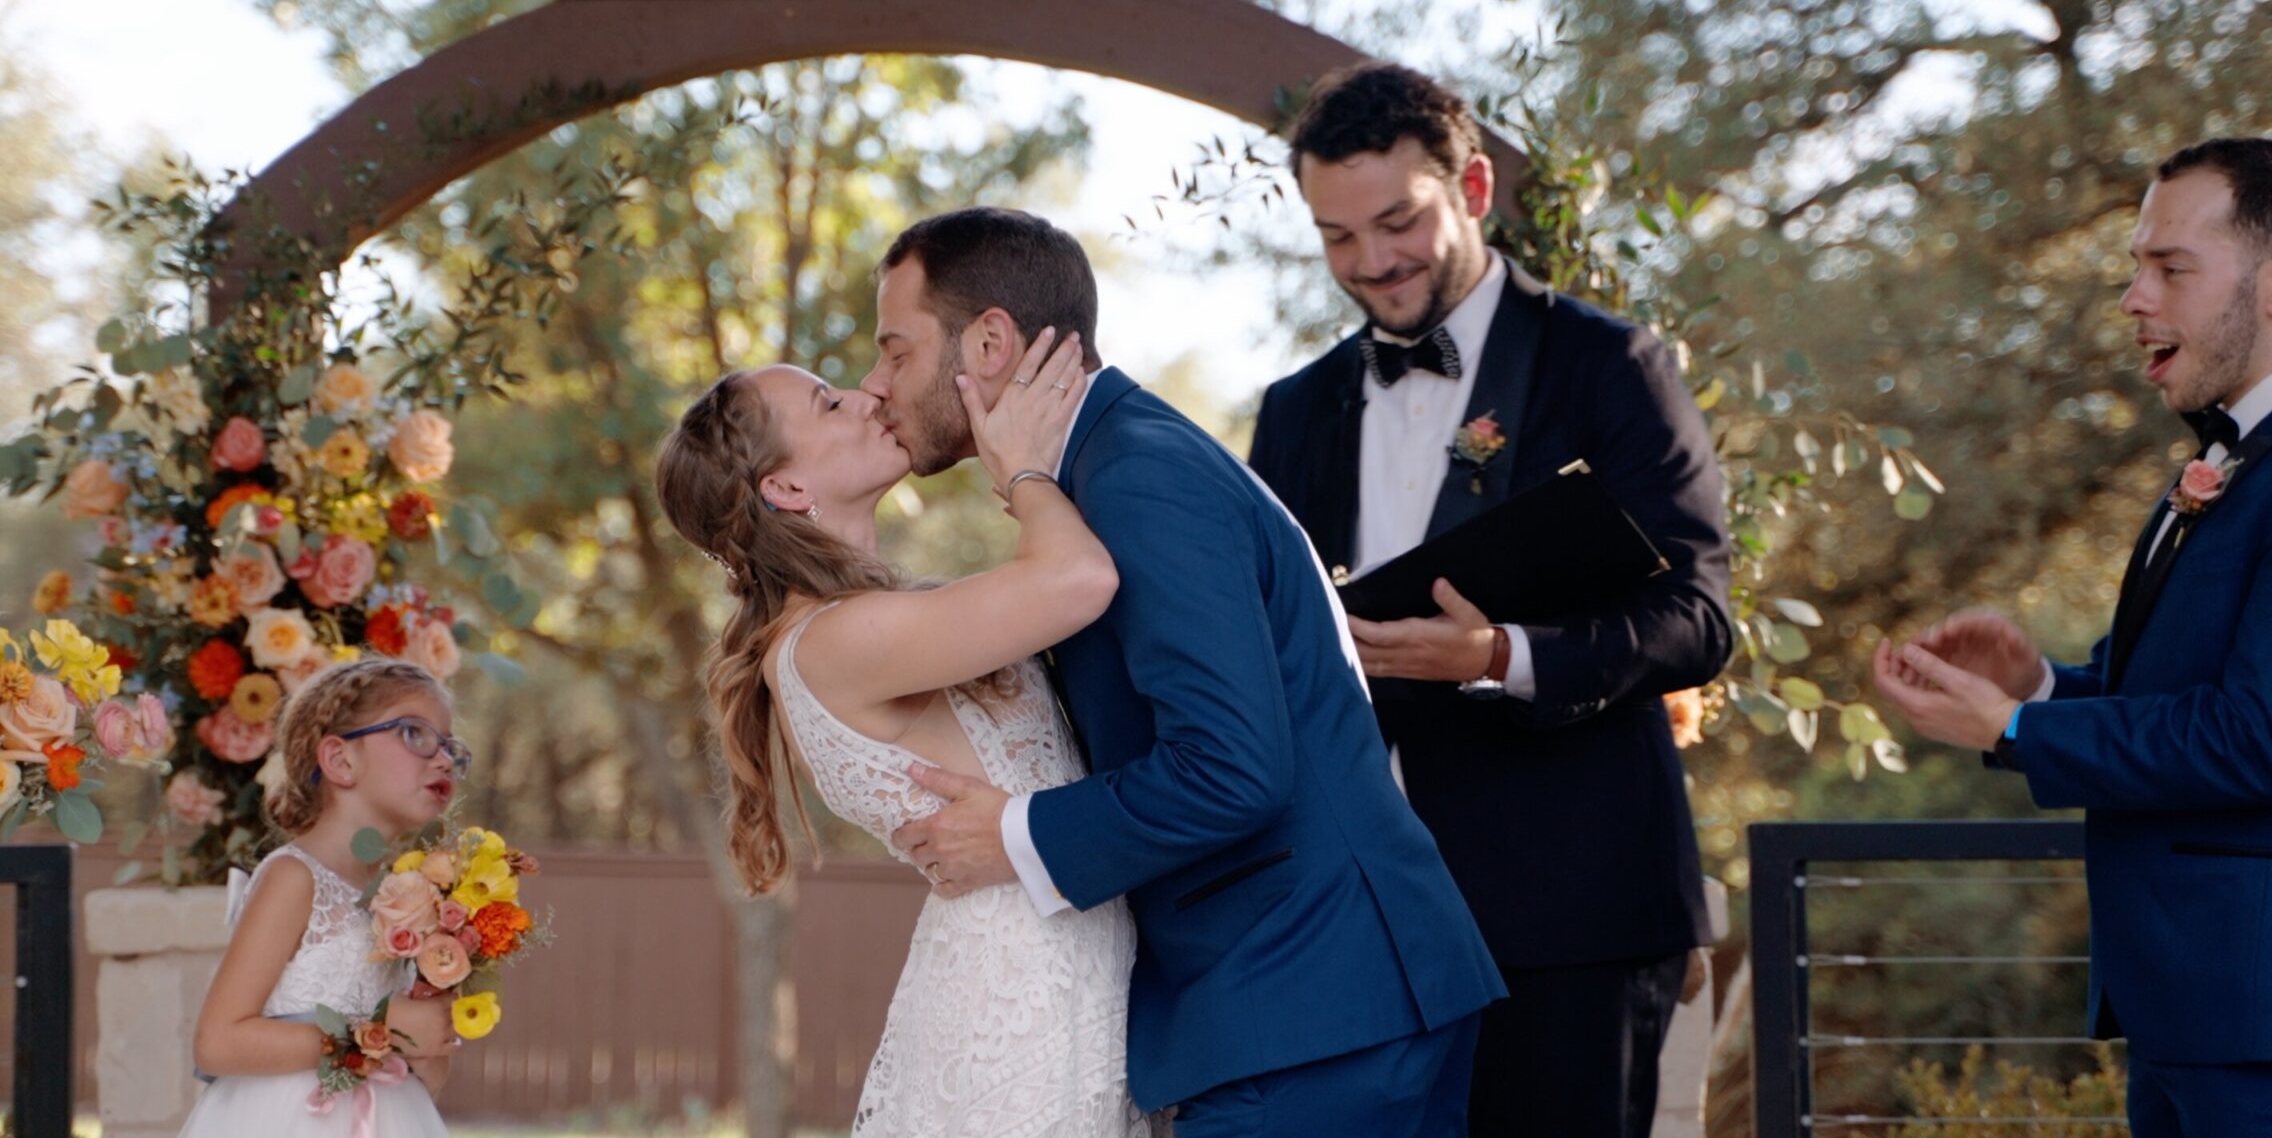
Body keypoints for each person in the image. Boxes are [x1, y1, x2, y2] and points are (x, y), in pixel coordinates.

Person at [868, 207, 1505, 1137]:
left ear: (992, 342)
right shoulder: (1111, 463)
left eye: (896, 351)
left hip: (1314, 1006)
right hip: (1307, 1002)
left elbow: (1233, 766)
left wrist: (1014, 835)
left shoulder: (1136, 475)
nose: (877, 382)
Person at [1872, 138, 2272, 1138]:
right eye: (2136, 266)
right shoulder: (2248, 459)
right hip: (2199, 1012)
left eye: (2168, 268)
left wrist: (2014, 731)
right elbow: (2194, 700)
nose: (2134, 298)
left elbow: (2257, 740)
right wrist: (2041, 687)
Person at [1246, 62, 1733, 1138]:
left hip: (1573, 914)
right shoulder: (1296, 410)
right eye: (1337, 238)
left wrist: (1496, 656)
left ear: (1469, 190)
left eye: (1396, 222)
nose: (1371, 263)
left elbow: (1699, 617)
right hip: (1357, 920)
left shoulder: (1608, 366)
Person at [654, 326, 1156, 1137]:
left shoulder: (871, 621)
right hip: (1018, 1014)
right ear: (783, 487)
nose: (864, 393)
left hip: (1058, 984)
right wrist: (1020, 464)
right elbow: (1080, 578)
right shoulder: (830, 643)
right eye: (828, 401)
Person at [181, 660, 467, 1137]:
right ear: (339, 760)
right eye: (415, 734)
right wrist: (376, 1031)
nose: (442, 759)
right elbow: (217, 1042)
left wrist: (429, 1035)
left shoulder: (415, 898)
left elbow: (427, 1078)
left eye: (450, 747)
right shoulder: (294, 878)